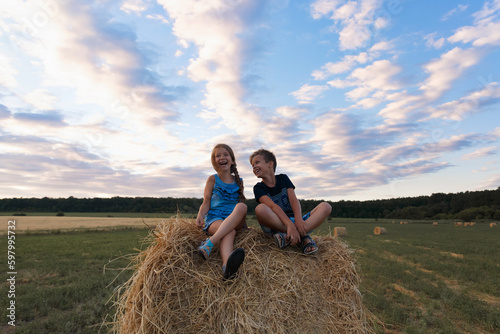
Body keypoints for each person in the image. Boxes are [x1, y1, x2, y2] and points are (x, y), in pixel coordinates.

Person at [249, 149, 332, 255]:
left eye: (257, 162)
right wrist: (290, 225)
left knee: (326, 206)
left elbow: (294, 200)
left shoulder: (283, 178)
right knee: (260, 209)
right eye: (252, 165)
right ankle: (302, 236)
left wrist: (298, 219)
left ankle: (289, 237)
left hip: (296, 222)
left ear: (270, 164)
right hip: (276, 225)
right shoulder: (258, 188)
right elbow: (273, 206)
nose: (254, 167)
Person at [196, 143, 247, 280]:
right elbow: (206, 202)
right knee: (229, 231)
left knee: (242, 207)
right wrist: (200, 215)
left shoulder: (239, 181)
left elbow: (240, 203)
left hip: (234, 219)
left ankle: (209, 244)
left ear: (232, 160)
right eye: (218, 156)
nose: (221, 157)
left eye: (225, 154)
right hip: (216, 218)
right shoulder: (212, 179)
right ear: (214, 161)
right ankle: (227, 268)